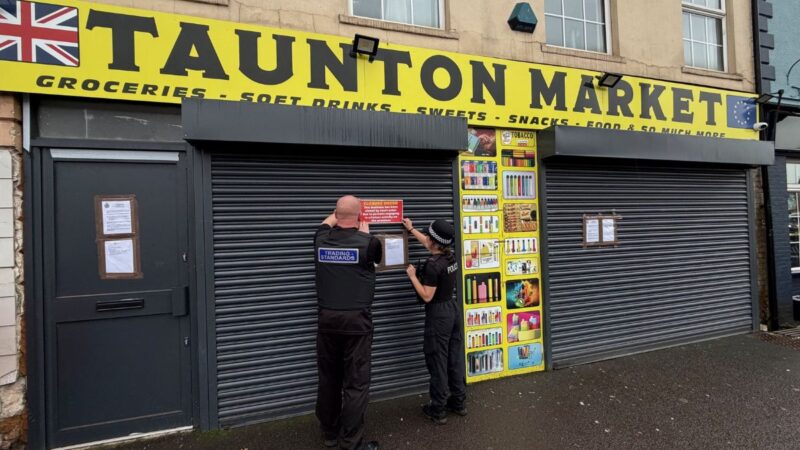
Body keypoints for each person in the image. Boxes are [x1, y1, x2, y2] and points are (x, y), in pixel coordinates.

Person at [314, 196, 382, 450]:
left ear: (335, 213)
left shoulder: (320, 239)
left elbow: (326, 223)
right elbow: (374, 259)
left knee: (329, 377)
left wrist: (339, 214)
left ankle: (329, 432)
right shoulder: (370, 243)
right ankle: (351, 443)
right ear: (360, 216)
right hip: (357, 323)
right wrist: (364, 231)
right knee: (355, 382)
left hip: (327, 320)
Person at [403, 218, 467, 425]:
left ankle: (437, 408)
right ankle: (458, 402)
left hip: (438, 314)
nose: (426, 239)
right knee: (454, 357)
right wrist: (411, 229)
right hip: (452, 309)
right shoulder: (450, 257)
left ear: (434, 241)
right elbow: (429, 243)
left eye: (428, 236)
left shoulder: (432, 266)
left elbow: (427, 296)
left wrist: (412, 276)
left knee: (437, 360)